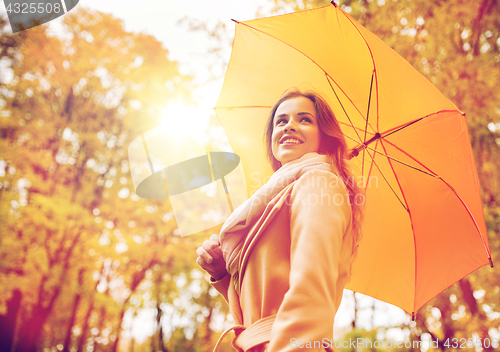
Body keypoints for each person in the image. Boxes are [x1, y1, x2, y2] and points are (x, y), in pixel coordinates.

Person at [196, 88, 364, 352]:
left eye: (304, 119)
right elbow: (258, 305)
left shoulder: (319, 182)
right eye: (281, 121)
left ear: (323, 137)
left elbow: (311, 287)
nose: (290, 126)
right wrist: (222, 273)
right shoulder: (274, 200)